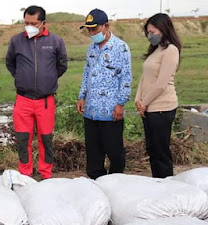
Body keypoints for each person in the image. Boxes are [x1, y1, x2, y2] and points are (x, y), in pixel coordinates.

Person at [6, 5, 68, 179]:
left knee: (46, 139)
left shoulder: (55, 41)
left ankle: (45, 173)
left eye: (33, 23)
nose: (29, 26)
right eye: (26, 22)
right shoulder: (16, 41)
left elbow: (62, 65)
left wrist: (48, 79)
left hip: (45, 101)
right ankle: (25, 173)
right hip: (23, 99)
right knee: (23, 139)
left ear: (43, 23)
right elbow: (10, 63)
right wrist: (21, 77)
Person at [76, 9, 132, 179]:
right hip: (91, 110)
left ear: (106, 26)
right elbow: (87, 73)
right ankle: (96, 180)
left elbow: (126, 77)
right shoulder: (91, 49)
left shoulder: (120, 48)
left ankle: (116, 181)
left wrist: (121, 103)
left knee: (114, 151)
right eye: (89, 30)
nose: (91, 33)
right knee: (93, 151)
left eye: (94, 29)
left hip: (111, 110)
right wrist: (81, 96)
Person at [135, 13, 181, 178]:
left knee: (161, 151)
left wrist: (144, 102)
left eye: (153, 32)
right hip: (148, 108)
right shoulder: (156, 50)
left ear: (163, 30)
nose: (150, 36)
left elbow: (161, 84)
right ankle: (158, 183)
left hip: (162, 107)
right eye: (148, 32)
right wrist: (138, 100)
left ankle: (167, 185)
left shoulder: (171, 50)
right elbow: (144, 77)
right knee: (152, 150)